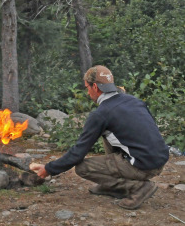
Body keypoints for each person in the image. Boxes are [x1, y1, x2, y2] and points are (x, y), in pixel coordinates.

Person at [31, 65, 169, 210]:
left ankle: (136, 187)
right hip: (159, 159)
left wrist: (49, 169)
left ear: (95, 87)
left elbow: (78, 153)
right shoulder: (134, 101)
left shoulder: (102, 114)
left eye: (87, 87)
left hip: (143, 166)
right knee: (108, 134)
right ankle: (114, 187)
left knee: (83, 168)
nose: (87, 92)